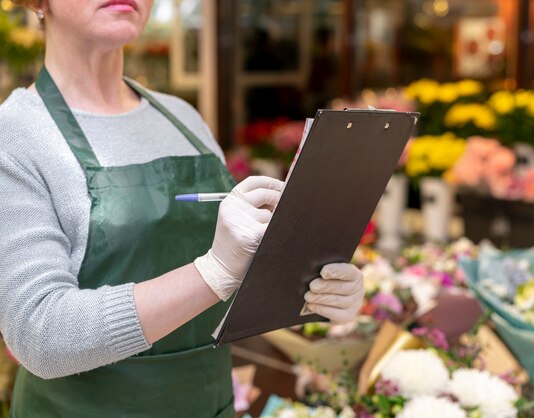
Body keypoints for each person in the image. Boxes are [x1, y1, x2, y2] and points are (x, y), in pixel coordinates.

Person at [0, 1, 365, 417]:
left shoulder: (182, 119)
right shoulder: (16, 135)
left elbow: (238, 276)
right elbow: (41, 335)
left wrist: (313, 287)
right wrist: (212, 273)